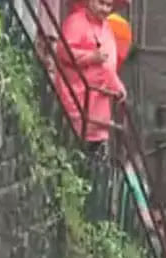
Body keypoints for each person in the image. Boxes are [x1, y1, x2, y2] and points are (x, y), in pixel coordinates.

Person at [55, 0, 125, 149]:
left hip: (99, 107)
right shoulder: (76, 22)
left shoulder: (107, 28)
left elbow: (107, 66)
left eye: (109, 5)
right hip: (78, 99)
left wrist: (118, 86)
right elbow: (63, 52)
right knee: (74, 150)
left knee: (95, 155)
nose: (105, 9)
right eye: (101, 3)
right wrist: (91, 57)